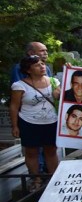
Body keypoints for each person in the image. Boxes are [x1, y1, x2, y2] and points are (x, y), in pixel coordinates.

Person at [9, 55, 60, 190]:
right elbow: (14, 106)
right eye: (37, 65)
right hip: (29, 122)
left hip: (51, 121)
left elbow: (62, 99)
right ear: (29, 69)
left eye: (43, 63)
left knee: (51, 150)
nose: (42, 66)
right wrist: (15, 126)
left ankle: (53, 177)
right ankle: (36, 178)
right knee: (31, 152)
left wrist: (58, 94)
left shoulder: (54, 81)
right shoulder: (20, 85)